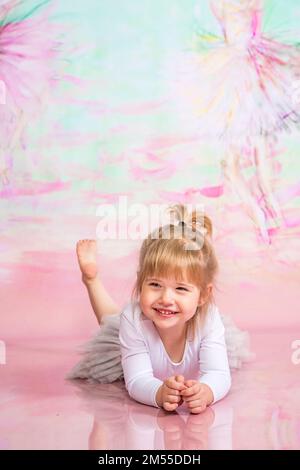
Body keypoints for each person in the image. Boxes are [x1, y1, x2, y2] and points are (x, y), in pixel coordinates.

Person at [67, 204, 252, 412]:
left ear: (203, 295)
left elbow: (218, 374)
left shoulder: (208, 319)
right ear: (140, 282)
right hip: (130, 339)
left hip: (197, 323)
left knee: (117, 321)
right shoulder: (134, 319)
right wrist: (159, 393)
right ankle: (92, 281)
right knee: (111, 324)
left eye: (181, 288)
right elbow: (137, 380)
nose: (166, 298)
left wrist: (206, 391)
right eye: (155, 285)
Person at [173, 0, 300, 243]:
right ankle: (274, 208)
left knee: (231, 166)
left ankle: (260, 219)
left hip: (233, 76)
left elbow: (224, 26)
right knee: (260, 148)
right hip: (256, 68)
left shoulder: (219, 4)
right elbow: (256, 30)